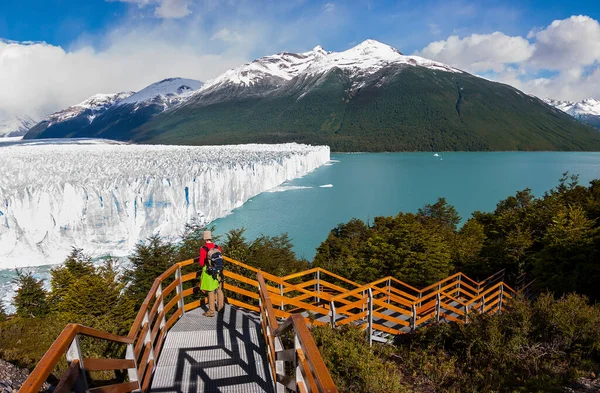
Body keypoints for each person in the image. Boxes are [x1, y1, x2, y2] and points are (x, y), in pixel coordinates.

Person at [199, 230, 224, 317]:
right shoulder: (218, 247)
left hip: (209, 271)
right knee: (218, 289)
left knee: (210, 291)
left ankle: (211, 311)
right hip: (218, 270)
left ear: (204, 239)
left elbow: (201, 263)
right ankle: (220, 308)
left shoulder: (203, 249)